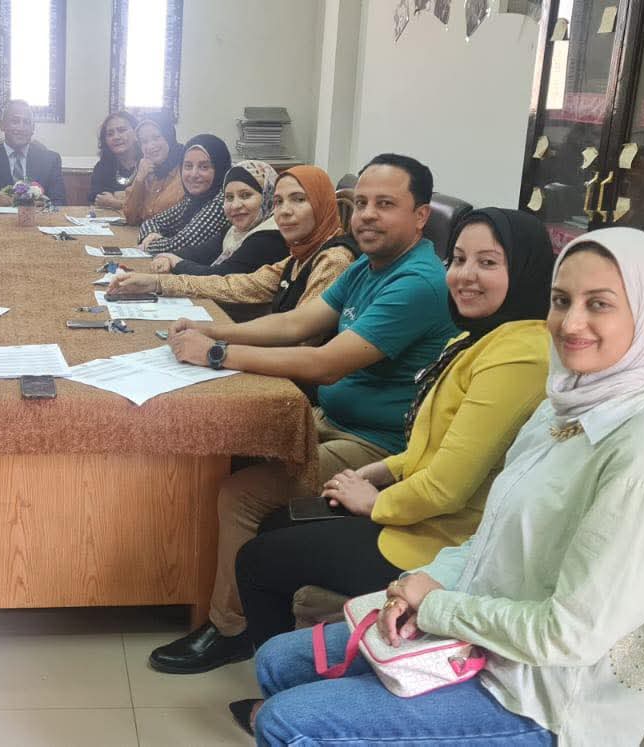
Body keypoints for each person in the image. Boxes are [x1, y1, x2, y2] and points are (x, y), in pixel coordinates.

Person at [243, 227, 644, 746]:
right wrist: (415, 588)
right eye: (561, 300)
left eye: (599, 304)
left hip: (547, 700)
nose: (571, 322)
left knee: (286, 720)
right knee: (278, 661)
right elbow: (488, 538)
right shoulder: (562, 408)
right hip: (485, 638)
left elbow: (569, 635)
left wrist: (437, 607)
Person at [147, 154, 457, 674]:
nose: (367, 215)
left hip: (378, 445)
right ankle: (192, 586)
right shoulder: (369, 265)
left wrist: (217, 354)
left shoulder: (417, 282)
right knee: (232, 445)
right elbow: (296, 323)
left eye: (385, 204)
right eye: (362, 203)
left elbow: (325, 362)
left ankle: (231, 630)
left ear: (421, 216)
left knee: (241, 494)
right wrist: (212, 331)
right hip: (330, 421)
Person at [232, 208, 555, 651]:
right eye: (459, 259)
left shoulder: (520, 354)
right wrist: (380, 471)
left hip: (442, 541)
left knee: (258, 558)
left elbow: (446, 489)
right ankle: (293, 653)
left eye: (488, 262)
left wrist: (375, 503)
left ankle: (280, 665)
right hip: (420, 511)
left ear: (525, 270)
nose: (465, 276)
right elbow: (436, 443)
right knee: (277, 521)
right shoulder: (476, 337)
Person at [108, 165, 354, 319]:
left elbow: (300, 338)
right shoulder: (299, 256)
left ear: (323, 204)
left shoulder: (333, 259)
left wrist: (221, 343)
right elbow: (235, 285)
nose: (284, 212)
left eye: (299, 199)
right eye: (278, 202)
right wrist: (156, 282)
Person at [148, 159, 284, 276]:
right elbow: (199, 252)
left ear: (269, 196)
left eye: (245, 195)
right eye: (229, 197)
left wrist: (175, 262)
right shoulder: (234, 231)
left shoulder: (270, 237)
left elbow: (221, 276)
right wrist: (167, 257)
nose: (235, 205)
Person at [137, 134, 233, 261]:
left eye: (204, 167)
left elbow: (179, 246)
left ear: (220, 169)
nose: (193, 174)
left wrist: (149, 244)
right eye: (188, 166)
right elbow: (152, 221)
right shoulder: (193, 199)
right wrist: (151, 234)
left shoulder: (222, 202)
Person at [0, 99, 67, 205]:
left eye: (26, 122)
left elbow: (60, 203)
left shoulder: (50, 160)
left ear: (33, 128)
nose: (21, 128)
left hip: (38, 215)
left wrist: (44, 203)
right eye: (15, 121)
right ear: (2, 125)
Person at [121, 113, 184, 225]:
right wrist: (139, 179)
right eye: (144, 141)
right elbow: (131, 218)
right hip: (146, 234)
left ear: (169, 137)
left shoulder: (186, 170)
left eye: (156, 138)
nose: (150, 146)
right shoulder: (148, 170)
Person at [89, 111, 139, 209]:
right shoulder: (102, 167)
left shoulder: (149, 163)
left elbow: (149, 205)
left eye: (122, 130)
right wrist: (126, 198)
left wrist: (116, 203)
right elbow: (97, 199)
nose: (116, 137)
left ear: (136, 133)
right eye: (110, 134)